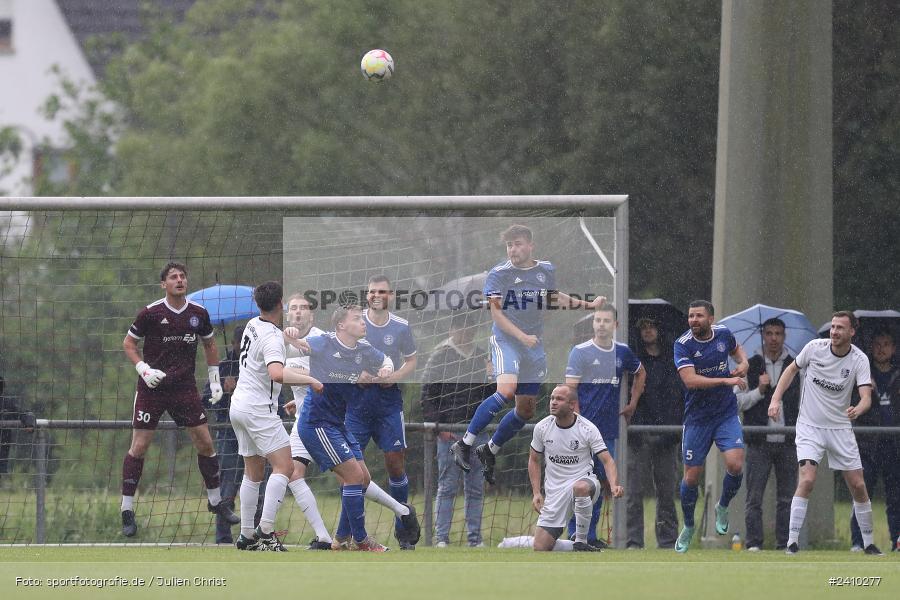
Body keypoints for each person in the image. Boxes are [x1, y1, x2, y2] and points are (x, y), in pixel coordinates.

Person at [451, 224, 605, 484]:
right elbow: (496, 314)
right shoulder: (499, 274)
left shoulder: (545, 269)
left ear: (530, 245)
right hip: (506, 341)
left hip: (533, 345)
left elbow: (553, 297)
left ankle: (490, 449)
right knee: (506, 391)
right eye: (509, 245)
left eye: (518, 244)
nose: (513, 249)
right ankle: (464, 443)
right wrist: (521, 336)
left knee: (525, 411)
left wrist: (588, 304)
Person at [121, 262, 239, 537]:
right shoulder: (150, 313)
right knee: (139, 446)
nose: (179, 280)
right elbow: (129, 344)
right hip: (152, 387)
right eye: (173, 277)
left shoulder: (198, 313)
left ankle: (215, 502)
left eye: (182, 276)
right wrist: (143, 369)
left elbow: (210, 344)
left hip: (183, 388)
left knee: (205, 442)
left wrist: (214, 380)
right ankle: (127, 509)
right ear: (164, 284)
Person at [295, 304, 420, 552]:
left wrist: (386, 369)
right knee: (352, 477)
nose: (363, 323)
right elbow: (299, 347)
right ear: (342, 325)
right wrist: (290, 336)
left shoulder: (363, 348)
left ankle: (341, 539)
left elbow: (384, 359)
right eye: (356, 319)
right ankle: (362, 540)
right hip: (317, 424)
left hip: (337, 423)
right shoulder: (325, 342)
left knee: (362, 477)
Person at [768, 311, 884, 556]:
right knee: (807, 479)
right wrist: (775, 399)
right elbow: (790, 370)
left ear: (852, 331)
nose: (834, 332)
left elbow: (866, 398)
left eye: (840, 328)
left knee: (858, 485)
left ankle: (869, 543)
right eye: (832, 327)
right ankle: (791, 543)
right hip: (810, 427)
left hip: (840, 428)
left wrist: (858, 409)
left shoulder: (859, 359)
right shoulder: (814, 348)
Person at [564, 303, 645, 548]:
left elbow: (641, 372)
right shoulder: (580, 352)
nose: (601, 325)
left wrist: (632, 403)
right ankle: (572, 534)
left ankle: (589, 537)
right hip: (581, 431)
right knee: (578, 483)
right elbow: (570, 391)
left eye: (606, 321)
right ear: (593, 324)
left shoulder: (622, 352)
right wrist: (576, 423)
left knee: (598, 485)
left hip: (608, 431)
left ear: (615, 325)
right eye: (597, 320)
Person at [346, 275, 418, 548]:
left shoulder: (401, 327)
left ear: (391, 295)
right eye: (372, 291)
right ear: (366, 295)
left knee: (395, 464)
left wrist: (395, 375)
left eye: (383, 291)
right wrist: (356, 375)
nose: (377, 295)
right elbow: (338, 357)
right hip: (356, 406)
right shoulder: (354, 323)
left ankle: (404, 532)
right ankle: (352, 534)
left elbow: (411, 360)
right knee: (350, 468)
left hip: (388, 406)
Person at [672, 300, 749, 553]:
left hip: (725, 414)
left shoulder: (724, 334)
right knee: (691, 477)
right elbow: (691, 380)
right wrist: (727, 380)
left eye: (699, 316)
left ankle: (723, 506)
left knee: (736, 465)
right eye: (691, 316)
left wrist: (744, 364)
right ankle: (690, 525)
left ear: (711, 319)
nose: (693, 320)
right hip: (697, 419)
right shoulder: (683, 345)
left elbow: (738, 352)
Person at [420, 312, 494, 547]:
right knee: (447, 486)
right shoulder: (439, 356)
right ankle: (441, 538)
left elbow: (493, 396)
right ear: (451, 329)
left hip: (478, 431)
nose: (465, 331)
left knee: (475, 487)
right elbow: (427, 395)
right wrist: (439, 426)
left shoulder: (483, 356)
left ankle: (475, 539)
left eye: (469, 327)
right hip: (450, 432)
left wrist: (493, 377)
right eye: (460, 327)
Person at [528, 385, 624, 552]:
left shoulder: (587, 428)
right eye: (552, 398)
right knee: (541, 547)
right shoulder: (542, 427)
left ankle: (580, 540)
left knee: (579, 487)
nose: (553, 402)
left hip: (586, 484)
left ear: (572, 405)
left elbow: (607, 460)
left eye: (559, 399)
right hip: (555, 493)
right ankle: (580, 547)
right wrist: (536, 492)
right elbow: (534, 460)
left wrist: (614, 484)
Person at [735, 317, 800, 552]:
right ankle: (753, 543)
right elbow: (737, 402)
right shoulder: (749, 365)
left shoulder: (796, 366)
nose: (773, 338)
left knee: (787, 499)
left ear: (784, 337)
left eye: (778, 334)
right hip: (757, 441)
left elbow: (803, 402)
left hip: (788, 441)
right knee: (754, 497)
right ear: (763, 335)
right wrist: (759, 391)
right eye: (769, 333)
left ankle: (785, 542)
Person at [281, 293, 334, 550]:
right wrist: (299, 401)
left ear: (312, 315)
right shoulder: (282, 341)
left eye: (303, 308)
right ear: (287, 314)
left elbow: (328, 377)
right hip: (304, 418)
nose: (298, 312)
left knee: (353, 478)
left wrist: (297, 377)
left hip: (326, 420)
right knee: (293, 473)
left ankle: (400, 510)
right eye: (293, 308)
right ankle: (323, 536)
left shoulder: (321, 338)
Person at [625, 317, 682, 550]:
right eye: (643, 327)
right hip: (637, 434)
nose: (648, 331)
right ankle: (633, 541)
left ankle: (668, 541)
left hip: (667, 434)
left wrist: (674, 427)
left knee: (667, 492)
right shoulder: (632, 362)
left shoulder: (674, 361)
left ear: (660, 329)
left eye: (652, 326)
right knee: (633, 491)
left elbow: (679, 398)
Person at [848, 329, 899, 551]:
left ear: (894, 348)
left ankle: (896, 541)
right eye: (877, 344)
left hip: (895, 445)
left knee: (895, 497)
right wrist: (865, 391)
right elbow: (849, 406)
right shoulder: (861, 375)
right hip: (868, 444)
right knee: (862, 492)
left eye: (886, 343)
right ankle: (859, 541)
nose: (881, 348)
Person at [201, 325, 244, 544]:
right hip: (228, 434)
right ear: (234, 344)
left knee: (259, 485)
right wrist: (222, 391)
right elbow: (205, 399)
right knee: (228, 484)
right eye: (241, 342)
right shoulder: (221, 367)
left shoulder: (259, 365)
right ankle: (223, 536)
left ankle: (255, 532)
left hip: (254, 431)